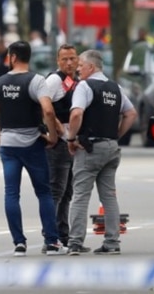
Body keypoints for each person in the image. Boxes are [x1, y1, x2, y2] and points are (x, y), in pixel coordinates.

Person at [0, 40, 68, 257]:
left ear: (12, 57)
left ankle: (19, 243)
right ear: (28, 57)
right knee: (44, 192)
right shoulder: (36, 81)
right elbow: (48, 111)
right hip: (32, 144)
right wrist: (52, 136)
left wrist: (2, 142)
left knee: (11, 193)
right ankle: (51, 242)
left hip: (9, 145)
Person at [65, 50, 137, 255]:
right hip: (111, 148)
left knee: (80, 195)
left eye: (80, 65)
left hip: (90, 148)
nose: (77, 69)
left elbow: (77, 113)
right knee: (109, 196)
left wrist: (71, 138)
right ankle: (112, 242)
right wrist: (116, 135)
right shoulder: (115, 88)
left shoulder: (85, 86)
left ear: (91, 67)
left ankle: (75, 242)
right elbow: (131, 113)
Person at [44, 44, 84, 251]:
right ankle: (50, 237)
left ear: (78, 60)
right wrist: (57, 131)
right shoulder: (54, 80)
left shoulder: (78, 81)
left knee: (68, 191)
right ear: (58, 61)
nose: (69, 63)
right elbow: (44, 106)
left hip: (73, 142)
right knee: (56, 190)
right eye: (65, 59)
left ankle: (64, 235)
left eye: (72, 58)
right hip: (59, 143)